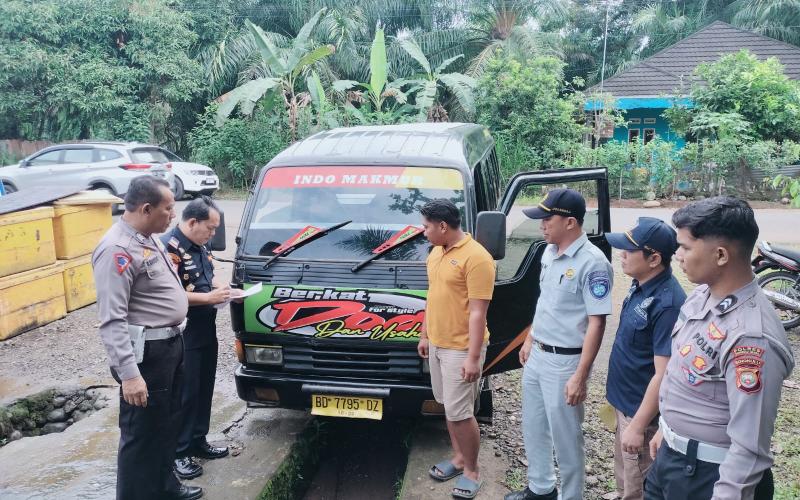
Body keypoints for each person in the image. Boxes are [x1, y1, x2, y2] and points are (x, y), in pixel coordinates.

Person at [645, 197, 795, 499]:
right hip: (672, 458)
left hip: (709, 476)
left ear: (721, 255)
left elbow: (749, 449)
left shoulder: (752, 338)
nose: (677, 255)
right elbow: (682, 373)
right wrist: (668, 428)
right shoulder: (702, 295)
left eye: (686, 247)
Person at [92, 176, 202, 500]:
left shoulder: (146, 236)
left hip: (170, 345)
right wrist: (130, 375)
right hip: (146, 355)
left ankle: (165, 487)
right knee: (140, 435)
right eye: (168, 208)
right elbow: (111, 320)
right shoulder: (117, 249)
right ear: (146, 208)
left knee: (166, 423)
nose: (173, 215)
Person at [506, 188, 613, 500]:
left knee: (566, 438)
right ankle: (541, 488)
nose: (541, 225)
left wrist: (580, 375)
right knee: (534, 425)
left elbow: (597, 322)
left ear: (570, 223)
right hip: (539, 354)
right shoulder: (548, 253)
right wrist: (530, 338)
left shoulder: (593, 263)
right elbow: (546, 303)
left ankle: (572, 496)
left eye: (547, 218)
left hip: (566, 362)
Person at [417, 199, 495, 499]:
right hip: (438, 343)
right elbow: (433, 296)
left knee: (462, 413)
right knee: (449, 406)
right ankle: (459, 457)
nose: (424, 233)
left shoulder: (477, 259)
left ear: (442, 226)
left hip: (461, 349)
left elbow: (478, 312)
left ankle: (472, 470)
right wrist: (425, 335)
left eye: (426, 227)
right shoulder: (437, 252)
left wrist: (474, 358)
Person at [604, 218, 686, 500]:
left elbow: (663, 374)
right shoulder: (641, 284)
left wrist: (638, 425)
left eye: (629, 250)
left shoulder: (668, 304)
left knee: (638, 484)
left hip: (642, 414)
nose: (621, 254)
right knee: (625, 474)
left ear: (654, 259)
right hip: (625, 404)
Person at [161, 196, 231, 480]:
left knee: (204, 387)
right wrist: (208, 297)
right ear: (193, 222)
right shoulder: (169, 248)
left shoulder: (201, 245)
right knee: (185, 393)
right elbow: (170, 295)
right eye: (210, 228)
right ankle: (179, 452)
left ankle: (198, 440)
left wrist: (221, 289)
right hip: (184, 331)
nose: (213, 234)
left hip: (206, 326)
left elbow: (208, 273)